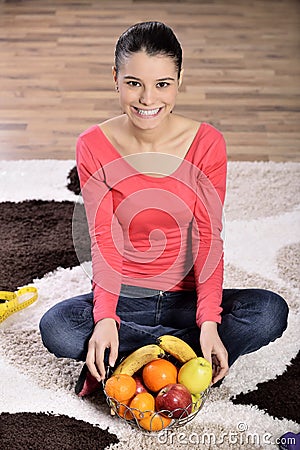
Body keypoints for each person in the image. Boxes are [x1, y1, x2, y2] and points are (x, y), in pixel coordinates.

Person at [39, 21, 288, 397]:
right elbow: (104, 238)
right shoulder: (92, 144)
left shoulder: (207, 143)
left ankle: (129, 365)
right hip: (126, 298)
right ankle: (181, 365)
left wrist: (208, 321)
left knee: (269, 311)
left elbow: (207, 238)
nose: (147, 99)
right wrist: (106, 317)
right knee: (57, 327)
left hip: (185, 300)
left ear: (179, 80)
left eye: (162, 84)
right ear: (116, 78)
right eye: (134, 83)